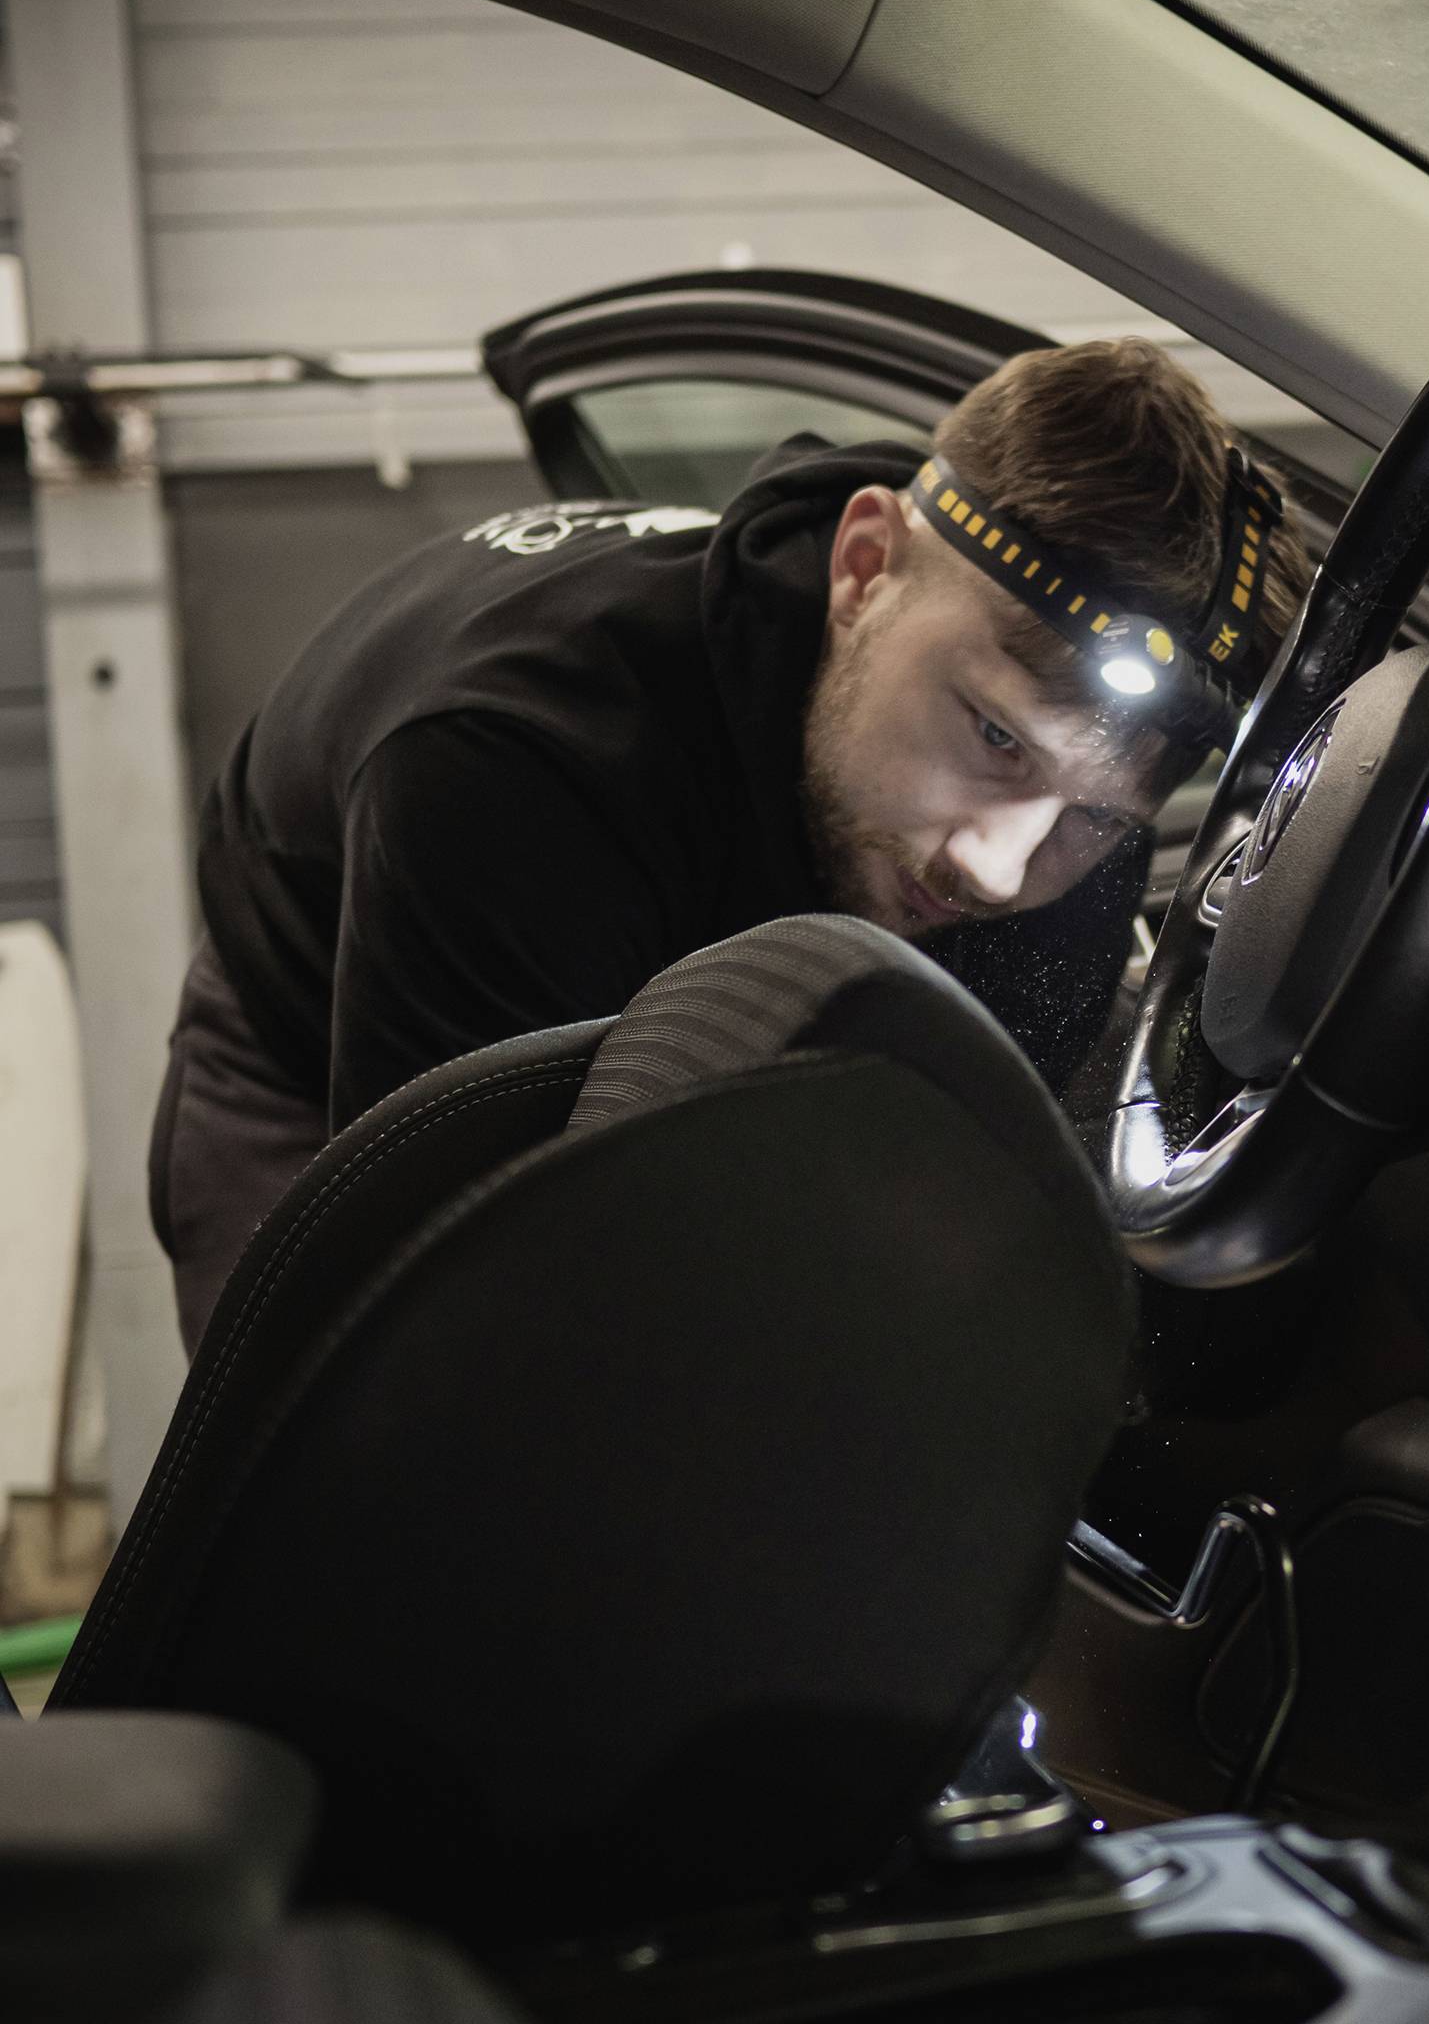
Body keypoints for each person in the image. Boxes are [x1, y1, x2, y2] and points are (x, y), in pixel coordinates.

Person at [150, 336, 1309, 1350]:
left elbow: (964, 1187)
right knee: (393, 1455)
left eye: (1097, 818)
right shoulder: (515, 771)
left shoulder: (1044, 824)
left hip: (706, 994)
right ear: (864, 568)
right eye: (996, 736)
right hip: (324, 1039)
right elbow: (463, 1295)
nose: (997, 868)